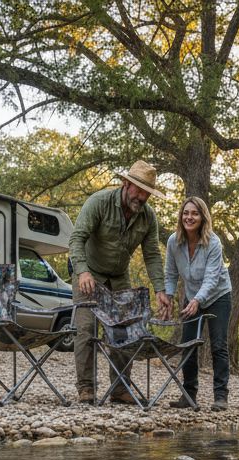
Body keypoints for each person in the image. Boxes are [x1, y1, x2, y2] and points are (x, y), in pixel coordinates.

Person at [68, 160, 172, 404]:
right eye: (139, 190)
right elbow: (76, 239)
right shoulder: (99, 202)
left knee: (125, 330)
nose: (143, 197)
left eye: (147, 193)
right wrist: (82, 271)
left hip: (119, 277)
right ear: (126, 184)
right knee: (86, 329)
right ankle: (86, 387)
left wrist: (160, 289)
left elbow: (152, 255)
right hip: (89, 273)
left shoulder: (148, 217)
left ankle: (120, 387)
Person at [161, 196, 232, 411]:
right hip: (191, 296)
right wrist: (170, 297)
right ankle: (188, 396)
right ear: (181, 216)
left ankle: (220, 397)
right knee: (188, 345)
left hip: (218, 296)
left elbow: (211, 278)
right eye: (186, 213)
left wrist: (197, 300)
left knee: (218, 345)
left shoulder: (213, 242)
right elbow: (171, 273)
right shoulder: (174, 241)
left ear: (203, 218)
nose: (189, 217)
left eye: (194, 213)